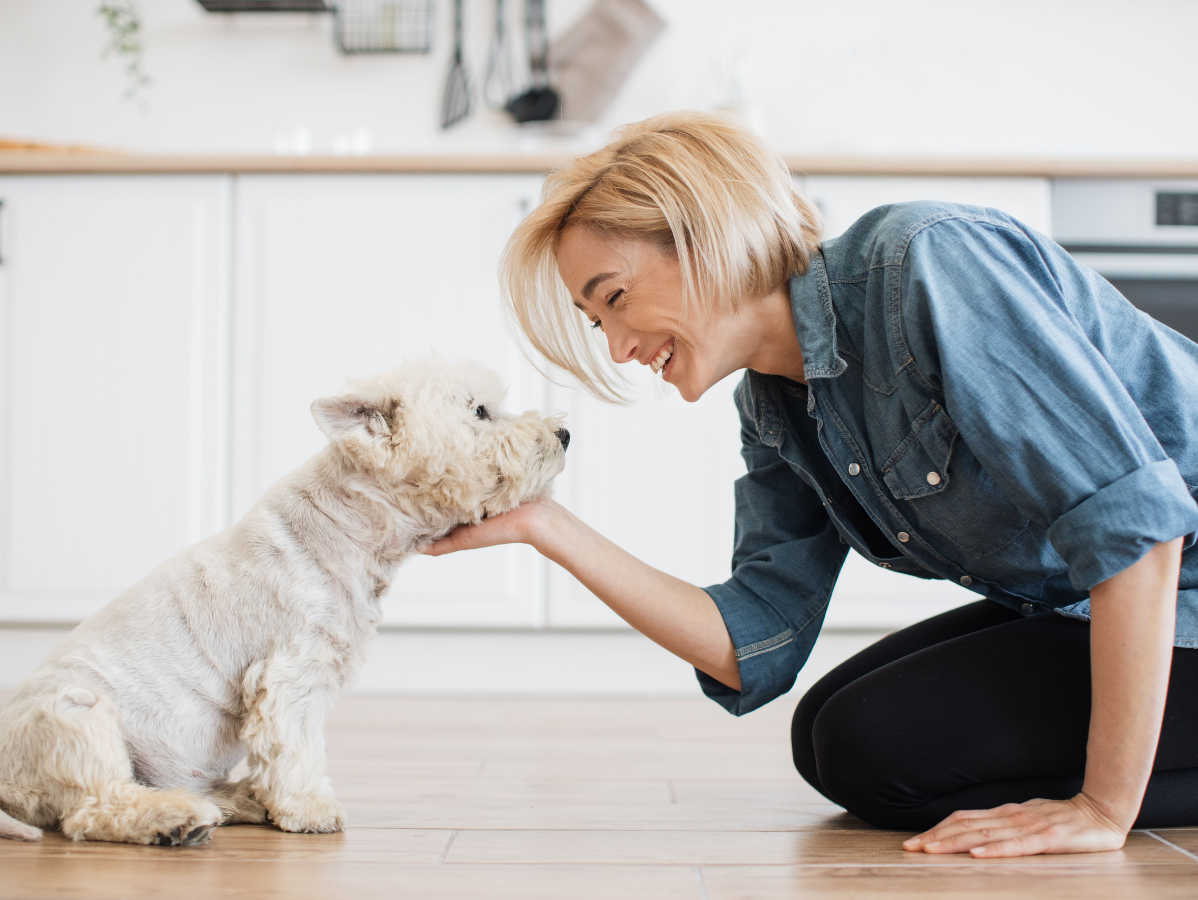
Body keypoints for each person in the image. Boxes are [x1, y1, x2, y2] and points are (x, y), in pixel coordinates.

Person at [424, 111, 1198, 857]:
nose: (621, 347)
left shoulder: (926, 263)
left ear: (706, 237)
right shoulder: (770, 405)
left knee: (876, 743)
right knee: (831, 734)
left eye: (616, 298)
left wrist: (1100, 809)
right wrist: (543, 526)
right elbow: (755, 637)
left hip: (1175, 583)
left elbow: (1134, 528)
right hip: (1108, 601)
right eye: (599, 323)